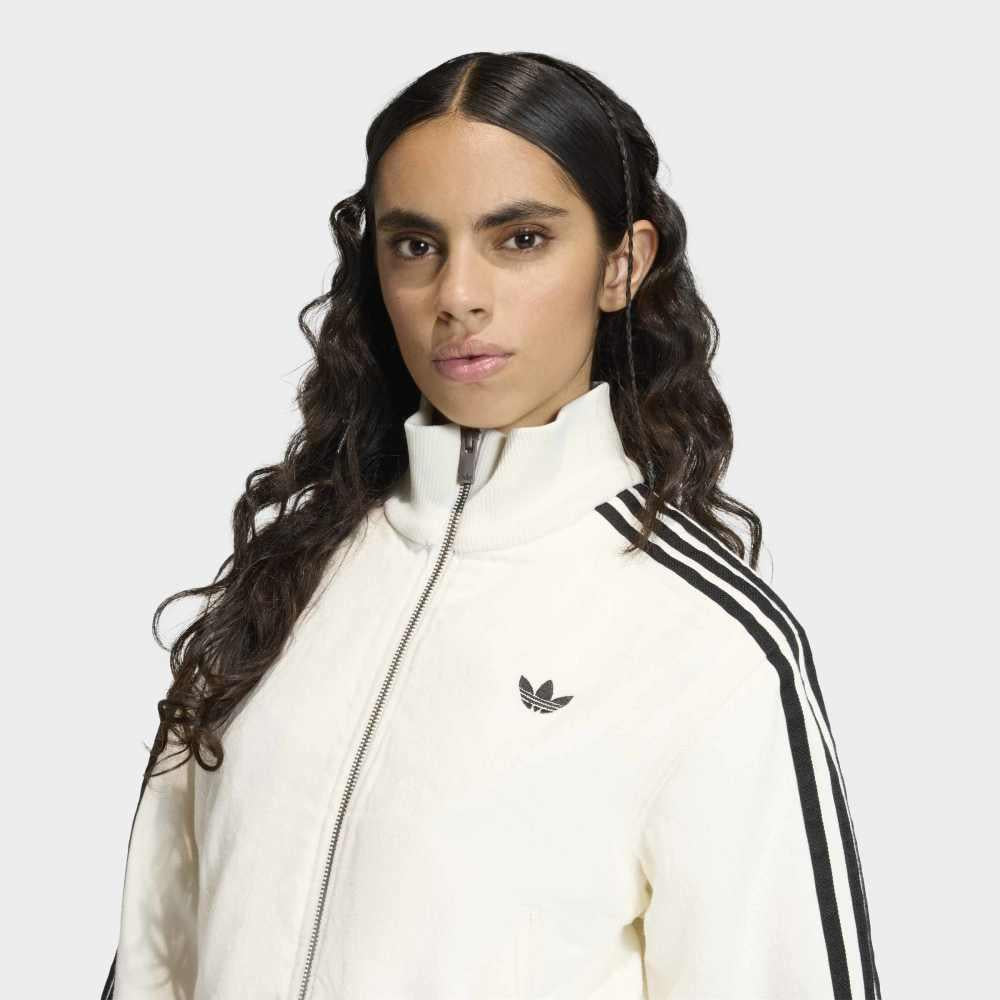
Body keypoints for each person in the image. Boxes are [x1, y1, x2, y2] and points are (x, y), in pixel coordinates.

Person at [101, 50, 881, 1000]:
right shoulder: (285, 581)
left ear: (622, 264)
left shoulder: (705, 645)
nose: (458, 296)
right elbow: (155, 959)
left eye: (520, 239)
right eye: (415, 245)